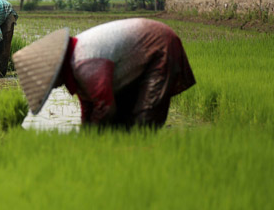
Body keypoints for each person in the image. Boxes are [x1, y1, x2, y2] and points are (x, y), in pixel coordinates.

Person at [13, 18, 196, 128]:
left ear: (56, 69)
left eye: (51, 82)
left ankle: (142, 161)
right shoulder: (77, 64)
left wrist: (90, 139)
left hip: (159, 48)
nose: (53, 86)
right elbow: (89, 105)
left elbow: (104, 107)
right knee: (121, 122)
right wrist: (86, 135)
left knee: (143, 120)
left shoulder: (84, 63)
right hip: (137, 54)